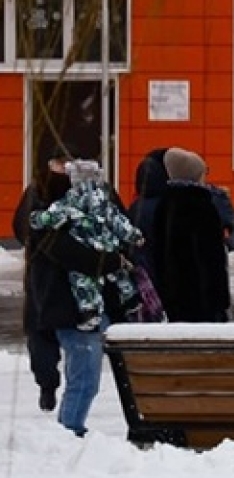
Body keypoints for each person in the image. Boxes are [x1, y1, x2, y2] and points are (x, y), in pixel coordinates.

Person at [30, 161, 143, 437]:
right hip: (71, 310)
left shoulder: (66, 214)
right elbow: (84, 259)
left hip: (80, 308)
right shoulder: (56, 223)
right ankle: (70, 432)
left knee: (83, 378)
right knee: (84, 380)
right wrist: (114, 259)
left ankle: (69, 430)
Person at [148, 149, 232, 323]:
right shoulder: (201, 205)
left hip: (172, 295)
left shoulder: (164, 204)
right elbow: (211, 259)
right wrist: (220, 301)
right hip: (201, 298)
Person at [15, 156, 69, 411]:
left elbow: (20, 227)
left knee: (41, 330)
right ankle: (60, 388)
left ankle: (49, 385)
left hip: (42, 275)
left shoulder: (36, 191)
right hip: (72, 276)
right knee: (71, 334)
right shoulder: (91, 193)